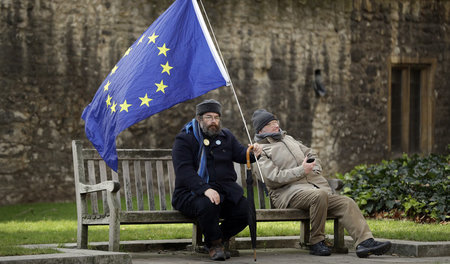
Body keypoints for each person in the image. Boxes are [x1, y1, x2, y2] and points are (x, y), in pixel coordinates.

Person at [251, 109, 391, 258]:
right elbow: (273, 178)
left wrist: (315, 166)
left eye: (276, 121)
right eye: (271, 124)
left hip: (315, 190)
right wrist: (302, 171)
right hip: (288, 194)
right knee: (319, 196)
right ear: (261, 129)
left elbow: (310, 153)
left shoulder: (288, 139)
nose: (276, 125)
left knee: (346, 202)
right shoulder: (260, 150)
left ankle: (364, 242)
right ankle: (317, 242)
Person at [171, 99, 262, 261]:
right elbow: (184, 171)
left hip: (224, 192)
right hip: (190, 194)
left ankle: (215, 239)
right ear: (199, 119)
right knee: (208, 203)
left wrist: (254, 151)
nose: (213, 121)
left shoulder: (226, 136)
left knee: (246, 209)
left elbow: (242, 155)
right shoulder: (185, 139)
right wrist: (205, 189)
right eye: (208, 117)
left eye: (216, 117)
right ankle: (215, 245)